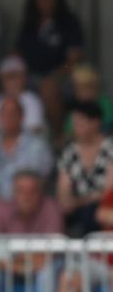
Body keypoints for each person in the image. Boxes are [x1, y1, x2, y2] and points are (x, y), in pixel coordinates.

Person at [16, 0, 85, 139]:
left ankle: (58, 138)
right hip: (31, 76)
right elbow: (17, 54)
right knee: (10, 85)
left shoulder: (68, 22)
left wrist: (56, 75)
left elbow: (73, 60)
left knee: (48, 89)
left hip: (63, 76)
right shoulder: (30, 23)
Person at [0, 97, 53, 208]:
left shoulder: (38, 146)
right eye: (4, 113)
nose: (8, 118)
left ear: (22, 116)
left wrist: (24, 206)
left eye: (12, 113)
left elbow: (42, 183)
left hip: (32, 206)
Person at [56, 101, 113, 235]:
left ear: (95, 123)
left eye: (80, 124)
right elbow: (63, 190)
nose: (75, 128)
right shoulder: (69, 152)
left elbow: (108, 191)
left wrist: (79, 202)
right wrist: (69, 202)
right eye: (74, 124)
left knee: (92, 213)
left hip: (104, 207)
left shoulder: (110, 148)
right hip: (78, 211)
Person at [0, 56, 45, 135]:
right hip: (3, 140)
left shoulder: (32, 99)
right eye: (8, 77)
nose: (12, 81)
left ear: (24, 78)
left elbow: (34, 131)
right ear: (1, 79)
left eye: (15, 76)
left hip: (27, 141)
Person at [62, 65, 113, 138]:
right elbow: (68, 131)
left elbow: (108, 128)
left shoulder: (105, 104)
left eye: (86, 88)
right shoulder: (77, 106)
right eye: (78, 90)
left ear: (95, 87)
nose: (83, 93)